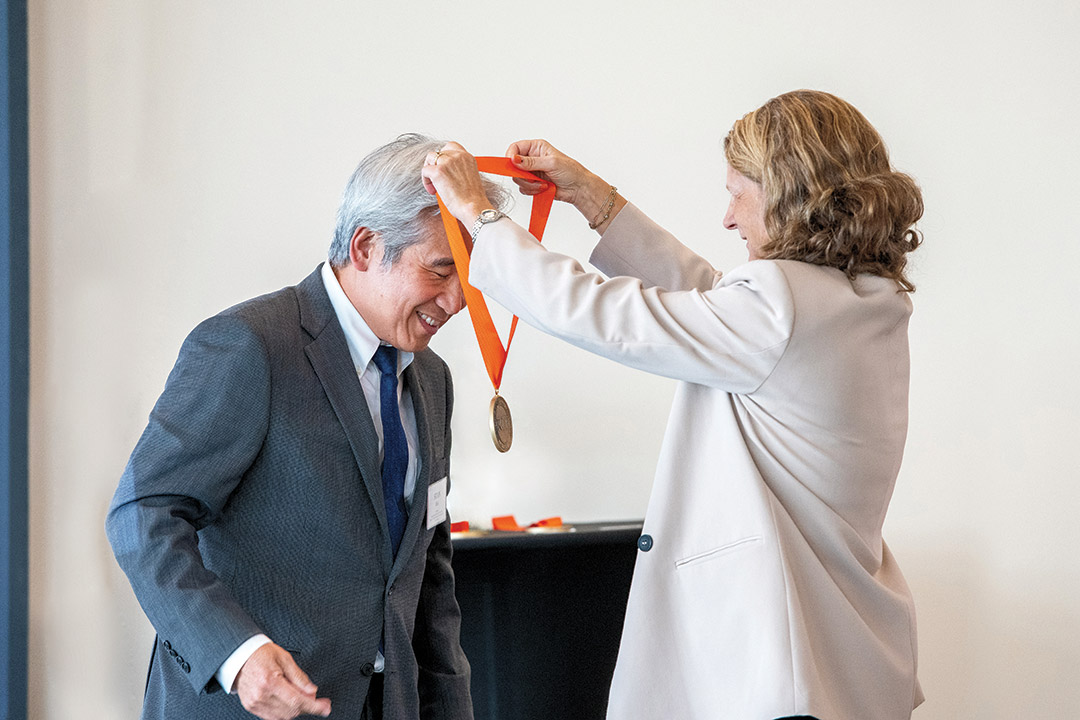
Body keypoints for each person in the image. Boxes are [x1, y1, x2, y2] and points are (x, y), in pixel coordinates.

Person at [422, 90, 925, 720]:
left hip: (779, 675)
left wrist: (480, 217)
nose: (728, 218)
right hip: (847, 662)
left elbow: (605, 314)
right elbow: (712, 299)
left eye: (738, 192)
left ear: (788, 190)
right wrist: (595, 200)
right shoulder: (864, 300)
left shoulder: (778, 309)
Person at [107, 133, 505, 720]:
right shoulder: (250, 345)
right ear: (367, 246)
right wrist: (238, 655)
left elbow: (427, 580)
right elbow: (143, 514)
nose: (458, 299)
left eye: (468, 277)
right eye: (442, 270)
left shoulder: (434, 379)